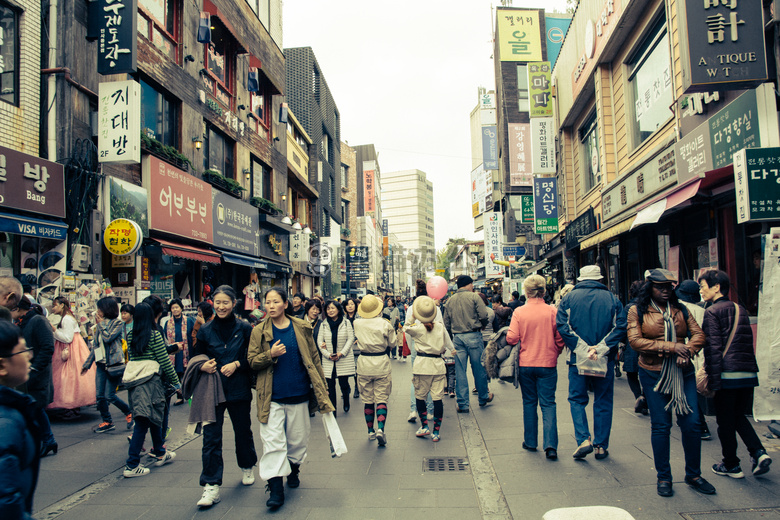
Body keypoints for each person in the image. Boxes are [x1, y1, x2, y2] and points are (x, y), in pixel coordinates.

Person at [627, 269, 715, 497]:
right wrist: (672, 346)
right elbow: (635, 341)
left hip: (682, 372)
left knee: (692, 423)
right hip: (652, 373)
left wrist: (688, 351)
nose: (665, 291)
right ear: (650, 287)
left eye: (669, 287)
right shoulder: (637, 310)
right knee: (661, 425)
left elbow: (698, 335)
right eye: (660, 287)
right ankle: (664, 477)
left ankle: (693, 474)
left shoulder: (681, 309)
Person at [247, 288, 333, 510]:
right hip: (271, 397)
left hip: (299, 395)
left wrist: (322, 388)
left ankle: (293, 468)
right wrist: (270, 355)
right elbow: (252, 362)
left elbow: (313, 358)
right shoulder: (258, 331)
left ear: (286, 304)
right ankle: (275, 488)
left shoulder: (301, 327)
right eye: (268, 302)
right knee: (273, 443)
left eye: (276, 301)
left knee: (297, 441)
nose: (271, 306)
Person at [698, 270, 772, 479]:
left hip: (726, 375)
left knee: (725, 421)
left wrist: (713, 380)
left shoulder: (712, 312)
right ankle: (758, 452)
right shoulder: (741, 309)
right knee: (738, 415)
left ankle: (731, 464)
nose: (701, 291)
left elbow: (712, 349)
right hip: (747, 373)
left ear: (716, 287)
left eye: (703, 286)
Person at [193, 286, 257, 508]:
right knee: (211, 437)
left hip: (238, 388)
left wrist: (238, 364)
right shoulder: (205, 330)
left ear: (234, 303)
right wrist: (204, 365)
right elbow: (195, 357)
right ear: (212, 303)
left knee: (242, 430)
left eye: (225, 302)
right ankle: (211, 485)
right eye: (217, 302)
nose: (221, 306)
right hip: (213, 389)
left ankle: (247, 465)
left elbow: (254, 358)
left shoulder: (245, 328)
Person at [556, 265, 625, 460]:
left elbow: (562, 326)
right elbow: (620, 327)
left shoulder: (569, 299)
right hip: (605, 359)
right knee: (603, 400)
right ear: (600, 279)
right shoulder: (612, 299)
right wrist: (600, 348)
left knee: (577, 399)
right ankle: (601, 446)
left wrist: (583, 349)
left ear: (580, 279)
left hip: (577, 359)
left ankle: (583, 439)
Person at [506, 275, 565, 460]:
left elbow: (511, 338)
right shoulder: (552, 311)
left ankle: (530, 441)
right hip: (547, 363)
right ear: (544, 291)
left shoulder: (519, 312)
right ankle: (550, 446)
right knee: (548, 403)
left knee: (529, 402)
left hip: (526, 363)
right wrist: (555, 350)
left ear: (526, 292)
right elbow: (560, 336)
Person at [123, 302, 179, 478]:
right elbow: (164, 360)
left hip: (135, 382)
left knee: (153, 417)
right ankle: (132, 465)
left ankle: (160, 451)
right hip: (151, 383)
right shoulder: (154, 335)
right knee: (143, 421)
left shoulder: (131, 334)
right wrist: (177, 383)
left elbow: (133, 358)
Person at [0, 320, 43, 519]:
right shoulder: (6, 420)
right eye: (22, 350)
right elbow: (5, 500)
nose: (29, 356)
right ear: (2, 365)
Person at [404, 296, 453, 442]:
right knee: (438, 399)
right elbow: (448, 343)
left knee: (420, 397)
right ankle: (436, 431)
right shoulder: (440, 327)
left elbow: (405, 328)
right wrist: (451, 350)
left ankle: (424, 426)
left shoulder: (417, 328)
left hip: (422, 365)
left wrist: (412, 317)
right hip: (438, 366)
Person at [13, 297, 57, 457]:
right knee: (34, 408)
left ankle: (46, 440)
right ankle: (47, 440)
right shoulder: (20, 322)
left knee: (35, 407)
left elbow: (47, 347)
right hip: (26, 373)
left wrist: (34, 367)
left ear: (17, 308)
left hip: (37, 374)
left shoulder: (37, 320)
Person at [82, 297, 133, 433]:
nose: (97, 311)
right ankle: (107, 421)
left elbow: (108, 337)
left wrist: (101, 324)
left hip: (114, 364)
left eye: (100, 308)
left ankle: (128, 412)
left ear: (106, 309)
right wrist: (87, 364)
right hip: (101, 364)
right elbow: (96, 347)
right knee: (99, 396)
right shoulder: (100, 325)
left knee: (110, 395)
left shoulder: (118, 323)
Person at [443, 275, 492, 413]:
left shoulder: (450, 301)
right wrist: (482, 325)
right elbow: (483, 315)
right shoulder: (474, 297)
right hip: (473, 335)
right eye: (472, 284)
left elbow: (446, 323)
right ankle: (483, 397)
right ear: (468, 284)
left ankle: (463, 404)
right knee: (478, 369)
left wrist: (452, 337)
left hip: (458, 338)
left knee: (460, 371)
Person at [353, 295, 395, 446]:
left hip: (364, 363)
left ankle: (370, 431)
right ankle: (381, 429)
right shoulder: (385, 324)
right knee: (381, 397)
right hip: (381, 362)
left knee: (367, 398)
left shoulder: (356, 323)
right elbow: (392, 343)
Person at [675, 280, 710, 439]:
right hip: (700, 353)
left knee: (686, 390)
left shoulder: (678, 309)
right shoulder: (703, 311)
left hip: (683, 353)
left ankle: (700, 426)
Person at [49, 296, 95, 415]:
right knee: (72, 376)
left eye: (54, 305)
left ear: (61, 305)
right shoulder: (68, 318)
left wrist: (54, 330)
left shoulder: (66, 319)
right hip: (75, 348)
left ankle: (71, 406)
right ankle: (72, 406)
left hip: (70, 349)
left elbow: (67, 338)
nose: (52, 308)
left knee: (68, 377)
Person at [317, 300, 355, 415]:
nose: (330, 310)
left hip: (343, 358)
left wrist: (341, 353)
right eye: (328, 309)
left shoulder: (346, 322)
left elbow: (350, 338)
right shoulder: (324, 324)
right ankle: (333, 409)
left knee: (343, 383)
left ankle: (346, 400)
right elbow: (319, 341)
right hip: (329, 359)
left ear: (338, 310)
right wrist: (328, 354)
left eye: (333, 308)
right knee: (330, 385)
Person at [621, 281, 648, 416]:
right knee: (647, 371)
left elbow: (623, 326)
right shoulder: (649, 306)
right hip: (648, 343)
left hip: (632, 344)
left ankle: (639, 396)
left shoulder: (629, 307)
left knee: (632, 373)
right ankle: (645, 396)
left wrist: (621, 341)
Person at [163, 298, 194, 405]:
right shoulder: (167, 323)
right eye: (173, 308)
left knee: (187, 374)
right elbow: (165, 339)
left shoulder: (189, 320)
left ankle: (189, 394)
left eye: (177, 307)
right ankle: (180, 396)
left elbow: (193, 335)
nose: (175, 310)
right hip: (174, 352)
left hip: (186, 351)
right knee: (176, 375)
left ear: (181, 308)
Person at [343, 297, 360, 399]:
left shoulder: (360, 317)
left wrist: (359, 338)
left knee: (356, 369)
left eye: (352, 304)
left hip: (356, 346)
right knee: (344, 369)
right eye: (348, 304)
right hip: (345, 346)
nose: (350, 306)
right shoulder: (342, 318)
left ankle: (356, 387)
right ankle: (346, 387)